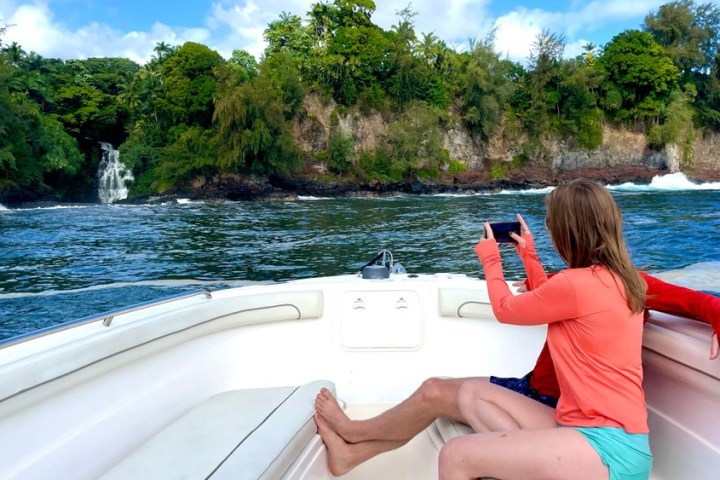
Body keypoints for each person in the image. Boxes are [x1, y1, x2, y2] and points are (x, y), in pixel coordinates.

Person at [314, 182, 720, 477]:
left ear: (566, 233)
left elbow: (508, 310)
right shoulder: (627, 280)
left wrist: (491, 259)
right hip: (595, 432)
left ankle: (358, 437)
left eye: (551, 223)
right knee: (469, 393)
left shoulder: (578, 284)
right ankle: (354, 447)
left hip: (606, 447)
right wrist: (527, 254)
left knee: (456, 456)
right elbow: (562, 300)